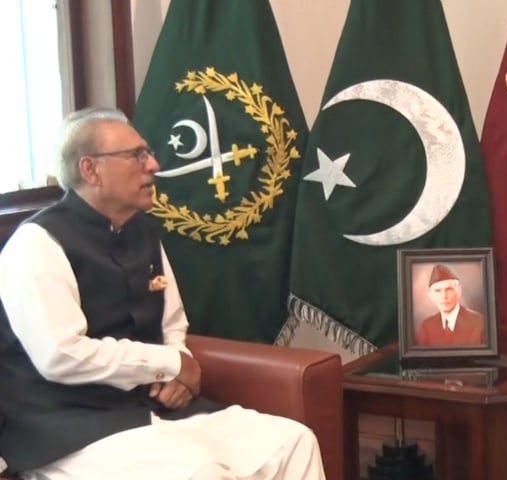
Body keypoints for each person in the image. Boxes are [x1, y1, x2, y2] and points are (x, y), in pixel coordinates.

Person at [0, 107, 326, 480]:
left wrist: (179, 372)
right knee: (200, 472)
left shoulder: (143, 232)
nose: (153, 164)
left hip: (153, 409)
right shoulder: (36, 244)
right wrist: (170, 363)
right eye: (136, 155)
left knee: (292, 442)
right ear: (91, 170)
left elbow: (173, 324)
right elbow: (59, 355)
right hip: (71, 428)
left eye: (148, 152)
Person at [415, 264, 485, 346]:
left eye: (449, 289)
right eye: (438, 291)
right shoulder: (427, 326)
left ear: (459, 291)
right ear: (431, 296)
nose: (444, 296)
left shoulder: (479, 322)